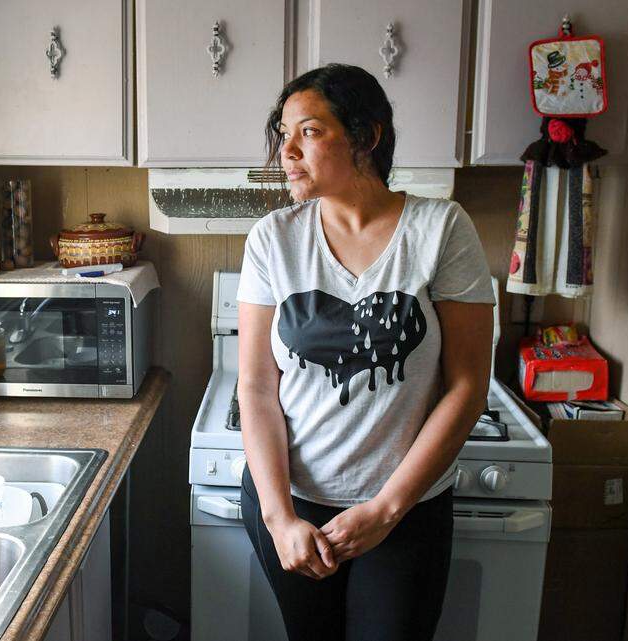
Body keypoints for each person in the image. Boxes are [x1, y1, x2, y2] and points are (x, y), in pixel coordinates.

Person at [236, 63, 495, 641]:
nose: (287, 151)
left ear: (366, 136)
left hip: (405, 509)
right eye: (283, 134)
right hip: (293, 504)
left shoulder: (440, 230)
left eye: (309, 131)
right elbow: (255, 386)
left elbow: (467, 386)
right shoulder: (273, 239)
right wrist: (279, 520)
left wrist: (387, 510)